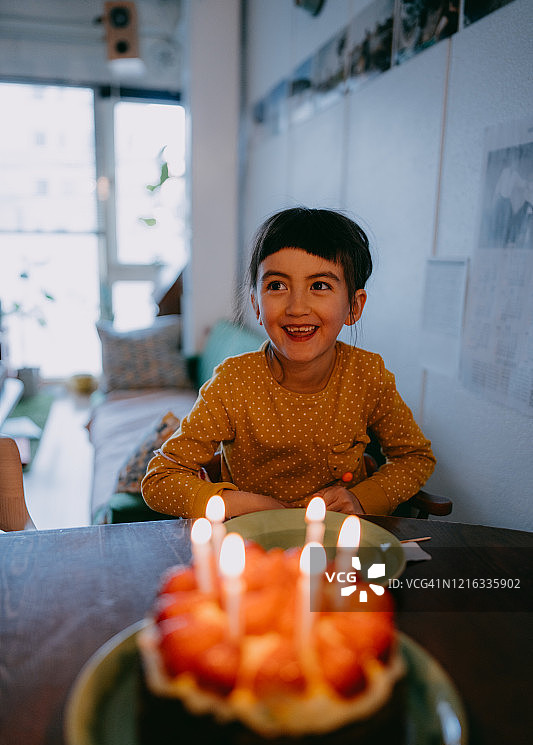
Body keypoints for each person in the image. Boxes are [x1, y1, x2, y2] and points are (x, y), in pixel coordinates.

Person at [142, 207, 435, 519]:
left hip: (338, 546)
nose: (297, 307)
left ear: (354, 305)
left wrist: (362, 500)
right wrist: (237, 504)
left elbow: (415, 457)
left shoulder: (366, 376)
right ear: (256, 303)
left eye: (319, 286)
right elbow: (159, 480)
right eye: (277, 286)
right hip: (253, 550)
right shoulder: (234, 383)